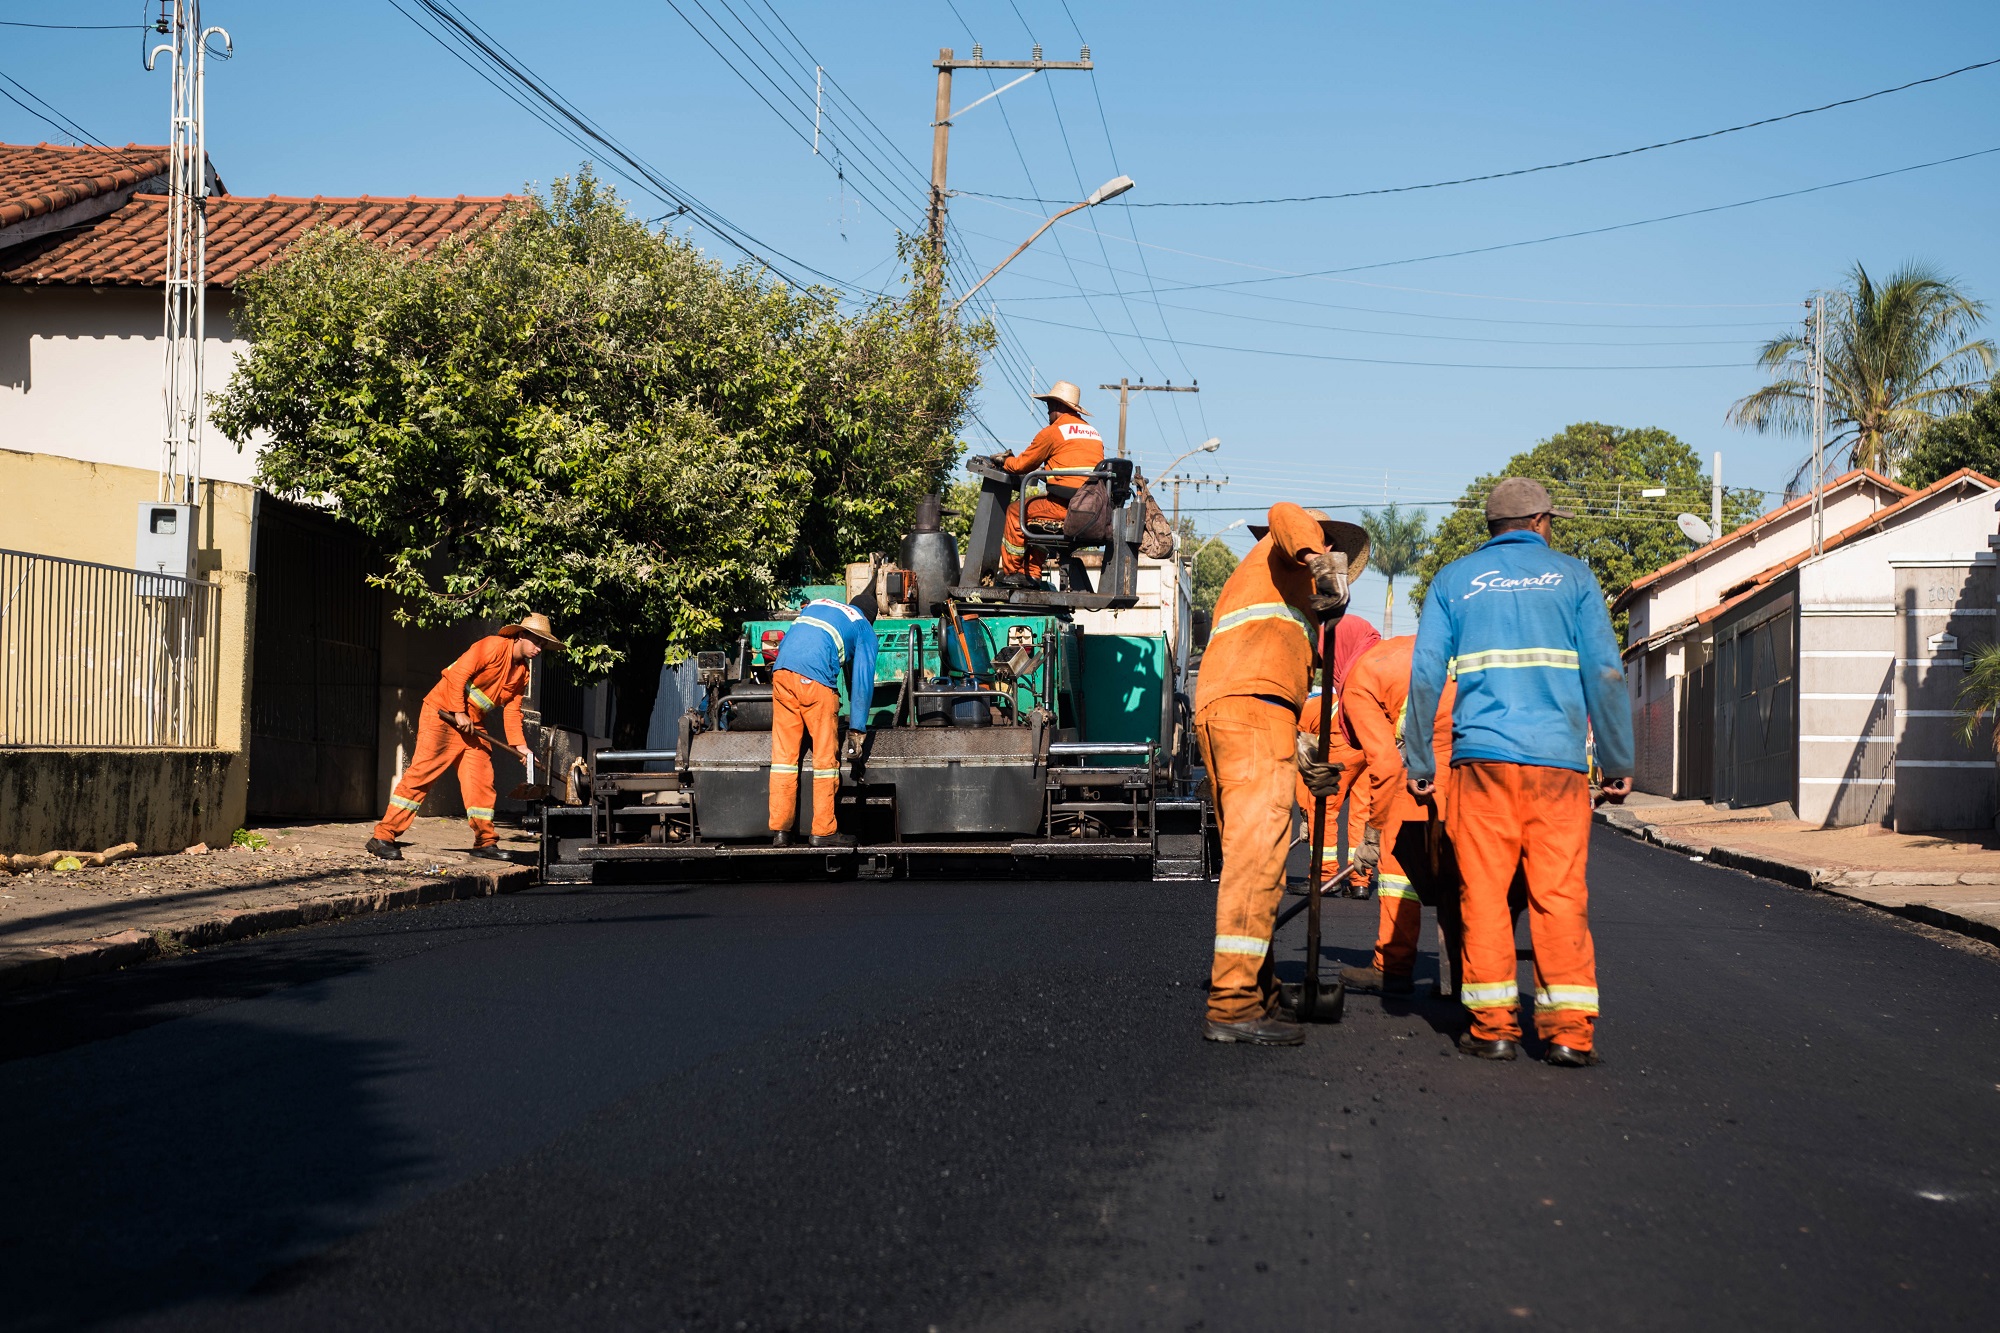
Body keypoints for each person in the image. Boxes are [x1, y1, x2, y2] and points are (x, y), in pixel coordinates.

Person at [1404, 478, 1633, 1066]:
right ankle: (1568, 1034)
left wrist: (1420, 759)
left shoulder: (1454, 581)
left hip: (1481, 765)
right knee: (1558, 894)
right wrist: (1617, 760)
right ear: (1541, 522)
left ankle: (1494, 1028)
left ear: (1491, 530)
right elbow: (1606, 673)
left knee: (1481, 892)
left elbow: (1427, 672)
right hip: (1556, 768)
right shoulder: (1576, 578)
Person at [1194, 503, 1367, 1046]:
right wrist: (1318, 557)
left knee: (1255, 855)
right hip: (1251, 710)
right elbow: (1284, 511)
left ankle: (1261, 990)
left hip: (1241, 709)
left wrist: (1302, 753)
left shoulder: (1277, 593)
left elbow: (1277, 679)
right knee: (1257, 858)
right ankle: (1233, 1005)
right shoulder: (1290, 547)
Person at [367, 613, 566, 861]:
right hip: (443, 714)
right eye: (536, 641)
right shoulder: (492, 646)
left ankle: (485, 843)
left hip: (472, 724)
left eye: (543, 644)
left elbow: (513, 712)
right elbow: (457, 675)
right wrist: (459, 712)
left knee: (481, 780)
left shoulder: (522, 673)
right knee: (422, 774)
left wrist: (522, 747)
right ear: (521, 635)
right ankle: (383, 836)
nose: (538, 648)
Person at [1337, 633, 1457, 996]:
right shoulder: (1396, 647)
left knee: (1397, 855)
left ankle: (1392, 965)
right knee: (1462, 851)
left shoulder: (1357, 683)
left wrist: (1372, 836)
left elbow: (1387, 767)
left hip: (1435, 739)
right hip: (1474, 731)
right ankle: (1472, 970)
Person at [768, 589, 880, 848]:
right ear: (870, 617)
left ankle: (781, 832)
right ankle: (823, 831)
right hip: (815, 680)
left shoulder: (819, 604)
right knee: (825, 759)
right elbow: (862, 681)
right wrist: (856, 730)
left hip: (782, 673)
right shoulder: (864, 628)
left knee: (784, 759)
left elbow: (791, 640)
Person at [1293, 615, 1381, 897]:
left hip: (1344, 745)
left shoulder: (1309, 709)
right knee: (1360, 812)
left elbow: (1302, 770)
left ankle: (1325, 876)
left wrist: (1304, 812)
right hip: (1369, 745)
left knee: (1322, 807)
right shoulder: (1364, 683)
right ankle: (1359, 882)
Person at [989, 380, 1105, 589]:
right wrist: (1048, 474)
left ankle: (1012, 573)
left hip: (1065, 506)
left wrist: (1003, 461)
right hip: (1089, 508)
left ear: (1060, 407)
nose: (1048, 410)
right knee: (1038, 516)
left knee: (1017, 512)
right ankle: (1032, 575)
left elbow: (1021, 465)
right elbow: (1075, 469)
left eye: (1050, 405)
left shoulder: (1053, 432)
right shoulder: (1093, 433)